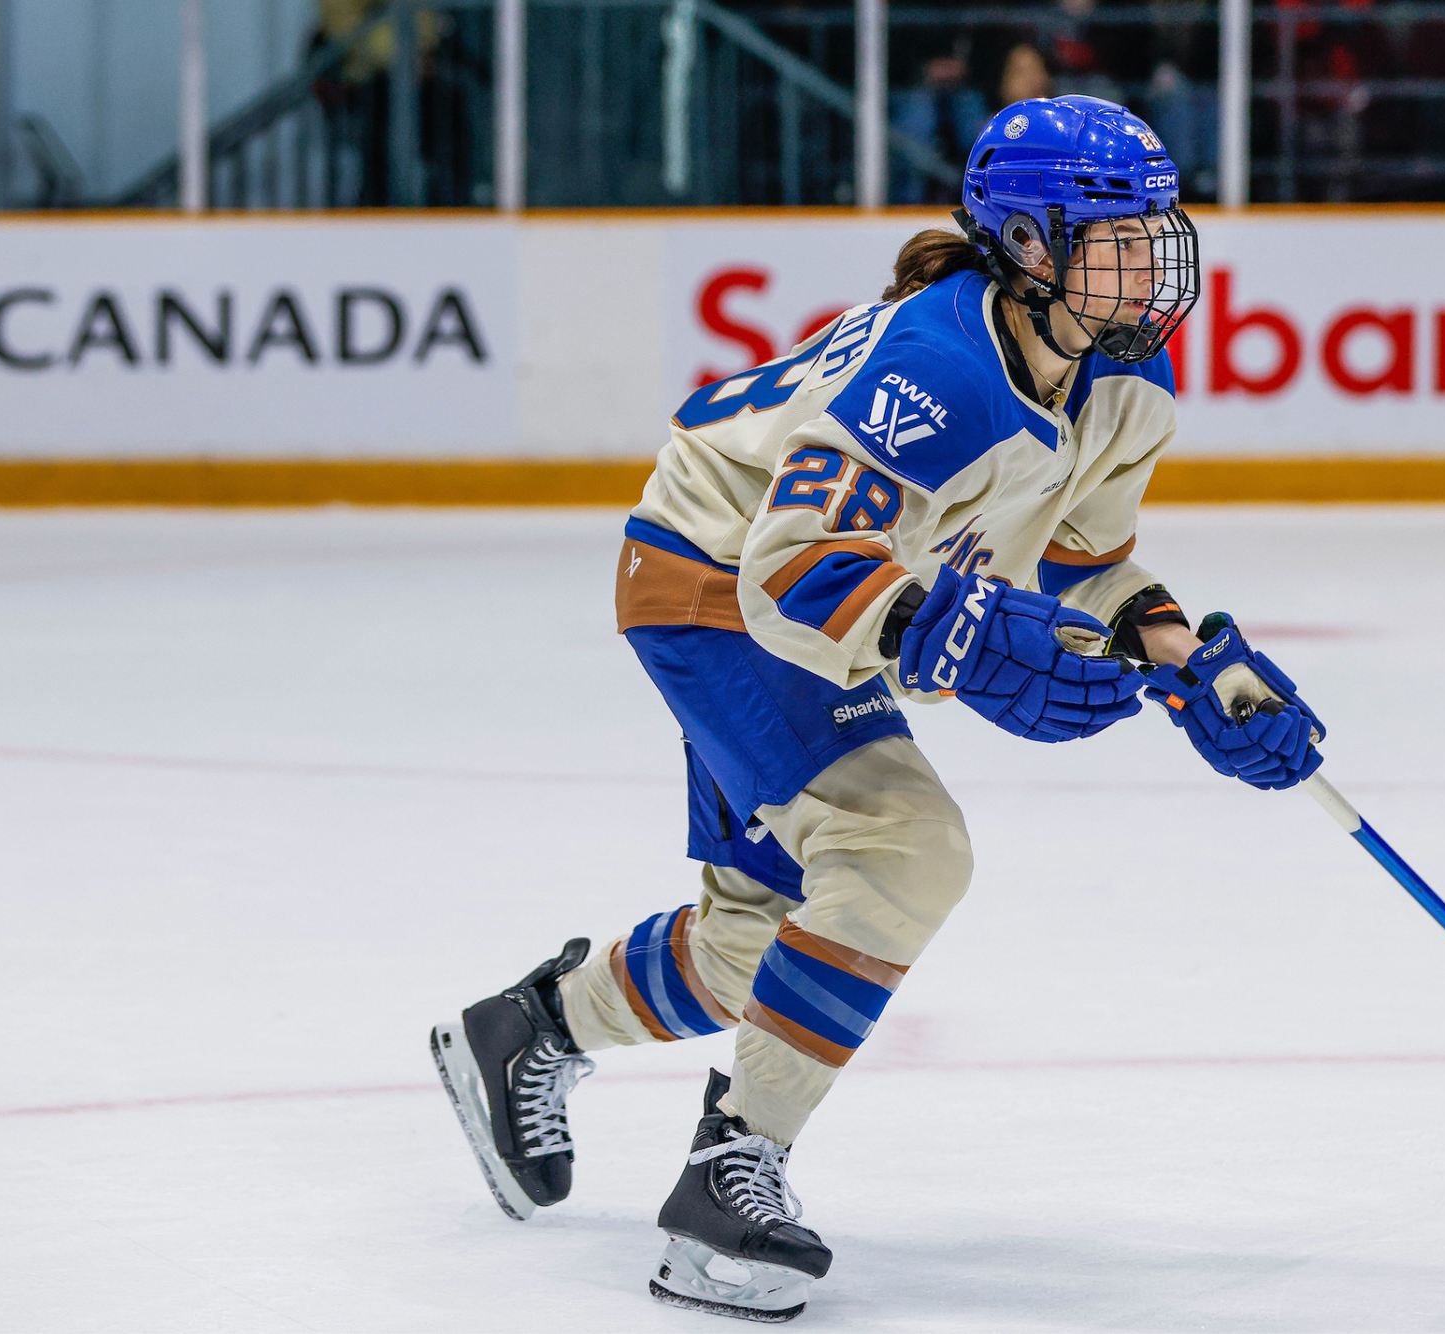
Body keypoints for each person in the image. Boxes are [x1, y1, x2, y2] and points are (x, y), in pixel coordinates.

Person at [431, 95, 1326, 1324]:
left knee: (770, 940)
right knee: (903, 848)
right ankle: (726, 1175)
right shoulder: (940, 366)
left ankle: (530, 1027)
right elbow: (789, 567)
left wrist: (1194, 664)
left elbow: (1075, 551)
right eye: (1109, 237)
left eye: (1151, 233)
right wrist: (940, 631)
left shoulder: (1118, 380)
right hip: (716, 584)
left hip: (788, 592)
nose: (1144, 265)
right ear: (1024, 245)